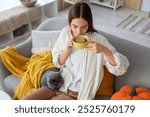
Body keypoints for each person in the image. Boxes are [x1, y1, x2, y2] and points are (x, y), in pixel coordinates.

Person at [22, 2, 129, 100]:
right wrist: (67, 50)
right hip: (56, 85)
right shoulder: (66, 33)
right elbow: (58, 63)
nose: (78, 32)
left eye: (84, 27)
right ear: (70, 23)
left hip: (75, 95)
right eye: (75, 26)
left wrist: (104, 50)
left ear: (89, 23)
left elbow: (121, 68)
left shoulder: (98, 40)